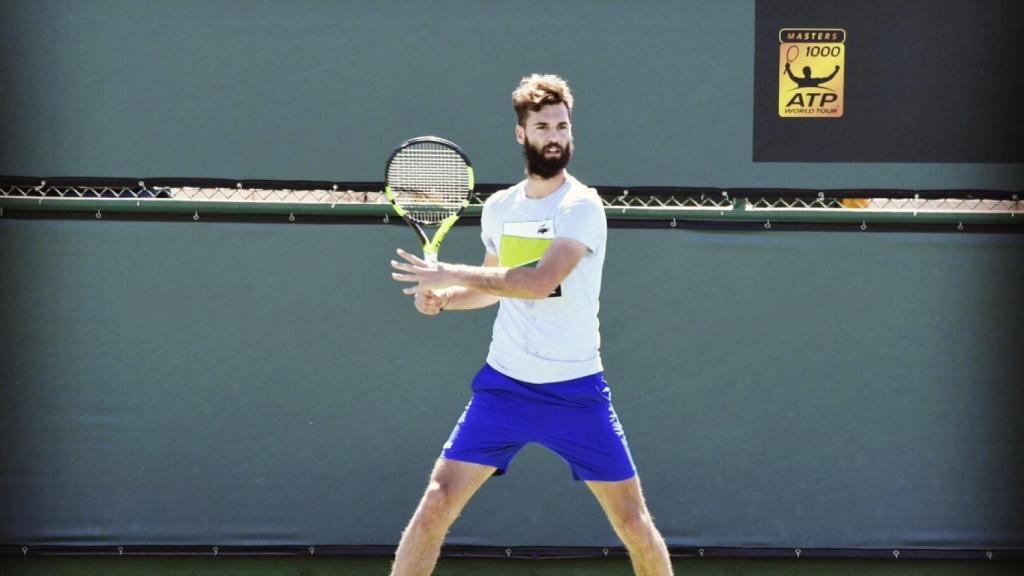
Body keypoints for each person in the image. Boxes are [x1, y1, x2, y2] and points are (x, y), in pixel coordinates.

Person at [389, 73, 674, 576]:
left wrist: (449, 270)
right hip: (504, 388)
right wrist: (443, 300)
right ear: (522, 135)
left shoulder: (582, 206)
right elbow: (491, 286)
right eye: (543, 126)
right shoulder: (500, 207)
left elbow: (540, 282)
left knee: (632, 520)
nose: (555, 136)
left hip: (576, 391)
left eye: (563, 126)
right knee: (437, 501)